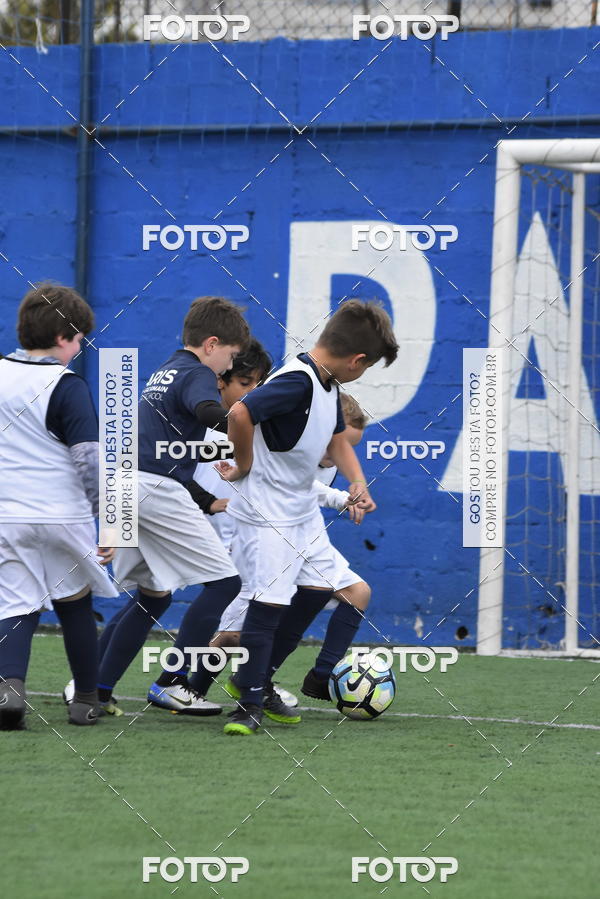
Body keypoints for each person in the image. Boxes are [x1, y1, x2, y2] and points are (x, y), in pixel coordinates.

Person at [219, 299, 398, 735]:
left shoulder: (329, 385)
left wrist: (357, 483)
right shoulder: (297, 381)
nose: (362, 374)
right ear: (357, 360)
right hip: (271, 515)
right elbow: (240, 412)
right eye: (367, 367)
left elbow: (338, 440)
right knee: (268, 605)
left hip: (300, 513)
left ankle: (256, 677)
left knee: (322, 587)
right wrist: (243, 465)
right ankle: (247, 704)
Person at [95, 296, 249, 716]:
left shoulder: (165, 370)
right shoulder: (198, 371)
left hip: (124, 482)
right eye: (231, 357)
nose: (229, 369)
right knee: (225, 584)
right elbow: (206, 410)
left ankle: (95, 689)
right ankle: (174, 682)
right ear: (212, 344)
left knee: (153, 596)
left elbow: (169, 440)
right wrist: (246, 420)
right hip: (153, 488)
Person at [0, 283, 118, 729]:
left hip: (7, 514)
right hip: (62, 513)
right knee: (74, 602)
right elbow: (89, 461)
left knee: (15, 602)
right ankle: (86, 700)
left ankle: (9, 688)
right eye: (80, 337)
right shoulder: (66, 385)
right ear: (65, 336)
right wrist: (110, 522)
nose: (81, 344)